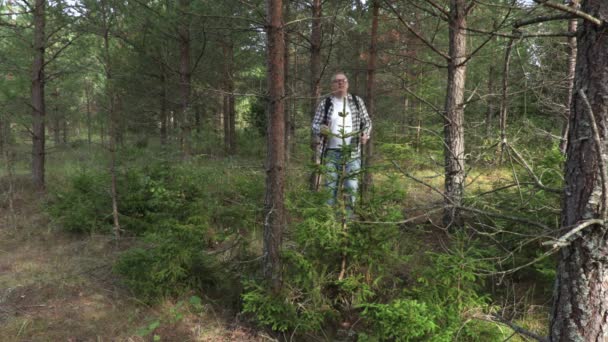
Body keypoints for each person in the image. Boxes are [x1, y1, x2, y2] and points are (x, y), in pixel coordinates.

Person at [311, 72, 372, 209]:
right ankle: (329, 222)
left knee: (351, 187)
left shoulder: (357, 101)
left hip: (353, 152)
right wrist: (321, 129)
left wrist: (365, 134)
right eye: (337, 81)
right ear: (332, 85)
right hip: (330, 152)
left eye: (343, 80)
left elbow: (367, 121)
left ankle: (348, 223)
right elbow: (314, 125)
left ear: (347, 83)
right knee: (329, 188)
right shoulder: (325, 103)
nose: (340, 83)